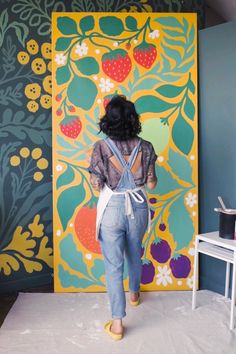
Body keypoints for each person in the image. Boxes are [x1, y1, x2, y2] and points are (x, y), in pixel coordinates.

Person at [88, 95, 157, 340]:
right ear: (132, 119)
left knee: (113, 265)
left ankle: (117, 324)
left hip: (112, 209)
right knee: (134, 252)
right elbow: (151, 184)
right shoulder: (147, 147)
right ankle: (135, 294)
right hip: (138, 208)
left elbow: (97, 184)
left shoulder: (101, 148)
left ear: (110, 120)